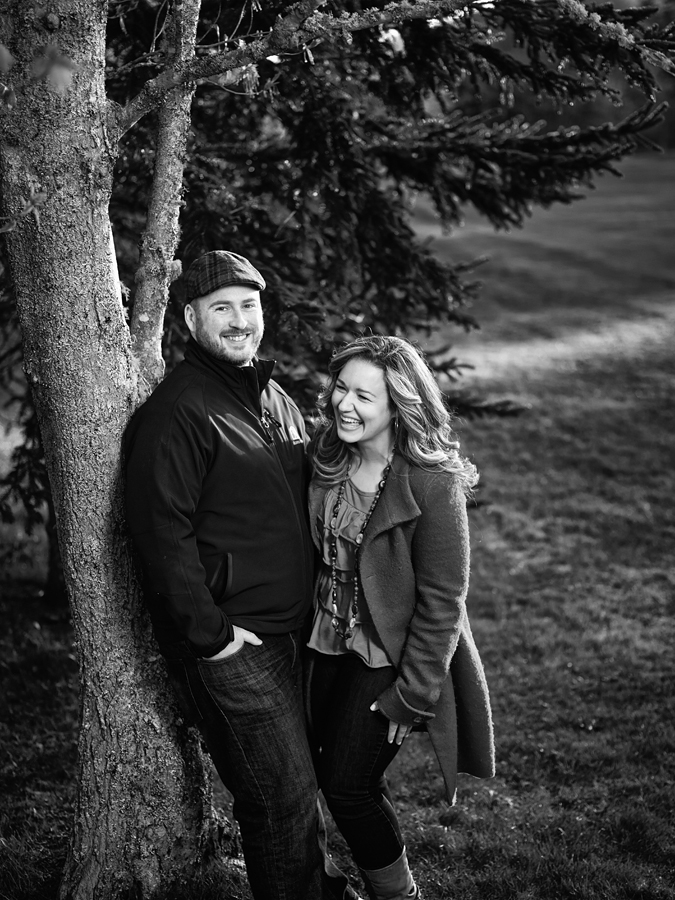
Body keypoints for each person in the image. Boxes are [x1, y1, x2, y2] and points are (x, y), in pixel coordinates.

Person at [123, 250, 357, 900]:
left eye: (248, 306)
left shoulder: (272, 397)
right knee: (278, 798)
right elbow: (160, 532)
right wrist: (212, 636)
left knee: (298, 788)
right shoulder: (178, 412)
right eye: (220, 308)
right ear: (190, 320)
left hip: (295, 634)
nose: (238, 320)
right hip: (237, 645)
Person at [306, 335, 495, 900]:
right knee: (344, 775)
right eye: (341, 388)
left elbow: (443, 601)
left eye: (364, 397)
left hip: (388, 651)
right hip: (323, 640)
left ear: (399, 406)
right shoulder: (326, 456)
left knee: (347, 786)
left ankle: (400, 896)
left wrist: (414, 693)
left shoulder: (432, 483)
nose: (345, 405)